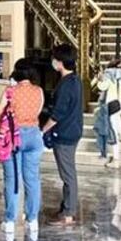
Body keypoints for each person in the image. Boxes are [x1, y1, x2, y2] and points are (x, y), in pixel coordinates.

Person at [0, 60, 45, 241]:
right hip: (34, 136)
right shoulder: (38, 91)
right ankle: (33, 220)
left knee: (13, 179)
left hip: (13, 137)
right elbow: (38, 111)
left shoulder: (10, 92)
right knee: (32, 180)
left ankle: (10, 221)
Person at [42, 45, 81, 226]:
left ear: (60, 62)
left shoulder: (66, 85)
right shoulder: (74, 80)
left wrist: (43, 129)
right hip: (72, 130)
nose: (53, 61)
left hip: (65, 133)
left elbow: (58, 114)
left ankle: (69, 213)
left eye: (55, 59)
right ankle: (66, 207)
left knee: (68, 175)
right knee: (68, 173)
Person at [95, 58, 121, 169]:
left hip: (113, 104)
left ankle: (116, 160)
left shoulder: (109, 75)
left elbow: (101, 87)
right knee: (117, 120)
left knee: (112, 131)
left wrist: (99, 79)